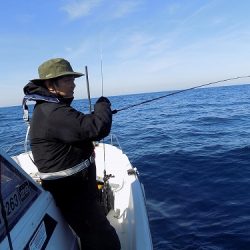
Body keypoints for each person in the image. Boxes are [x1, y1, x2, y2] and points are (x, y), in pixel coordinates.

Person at [23, 58, 121, 250]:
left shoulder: (49, 108)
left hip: (76, 191)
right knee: (105, 242)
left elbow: (76, 130)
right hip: (73, 195)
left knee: (94, 236)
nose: (74, 83)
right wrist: (102, 105)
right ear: (51, 85)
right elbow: (95, 127)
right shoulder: (53, 112)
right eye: (68, 79)